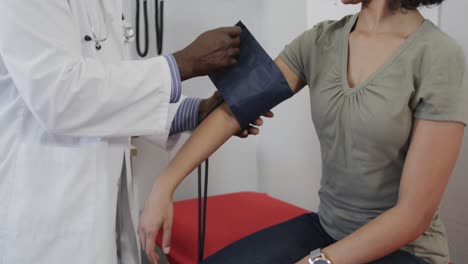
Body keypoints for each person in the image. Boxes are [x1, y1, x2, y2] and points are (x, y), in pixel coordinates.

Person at [138, 0, 466, 263]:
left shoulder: (438, 56)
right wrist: (164, 185)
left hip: (403, 250)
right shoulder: (319, 41)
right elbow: (236, 111)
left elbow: (413, 216)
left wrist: (318, 262)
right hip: (327, 229)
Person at [0, 1, 271, 263]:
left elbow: (111, 98)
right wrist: (181, 64)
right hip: (47, 215)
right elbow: (61, 96)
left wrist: (196, 112)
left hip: (103, 214)